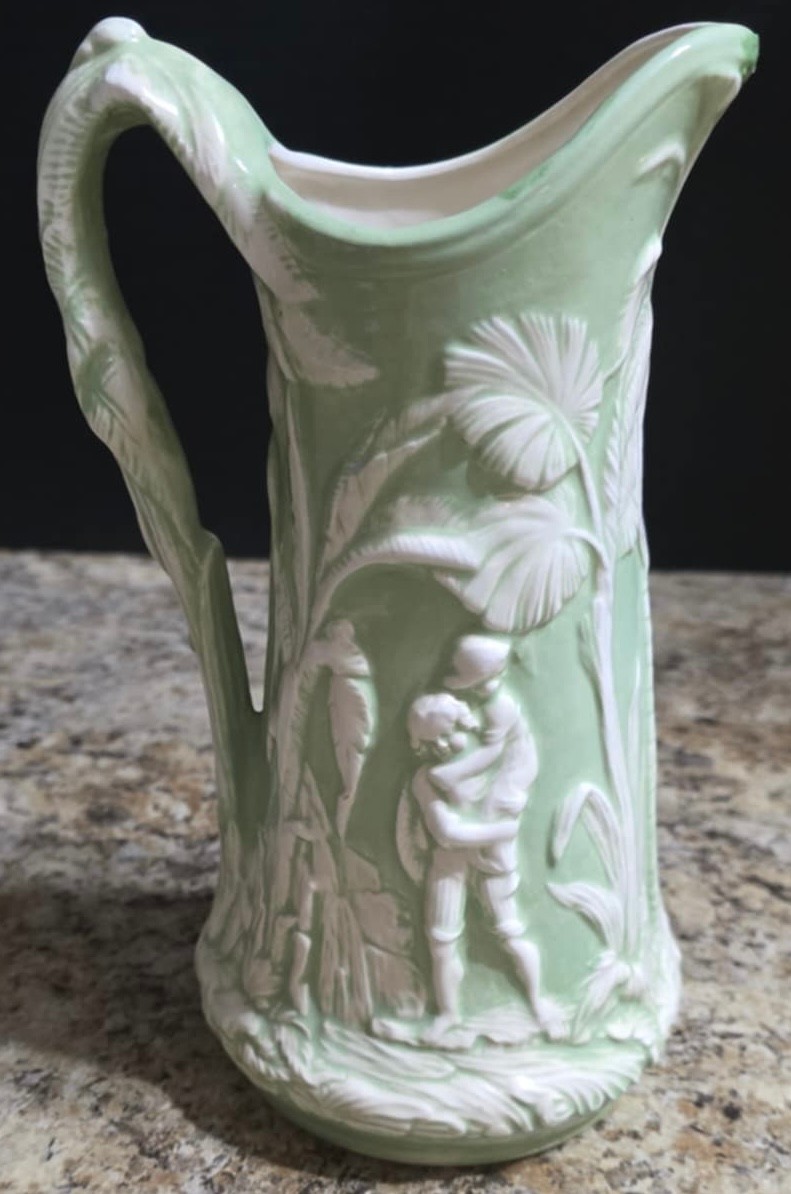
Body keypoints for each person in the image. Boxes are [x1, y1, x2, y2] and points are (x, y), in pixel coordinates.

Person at [406, 636, 569, 1043]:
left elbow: (497, 762)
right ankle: (448, 1014)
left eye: (448, 736)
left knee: (510, 930)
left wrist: (494, 827)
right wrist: (500, 831)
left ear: (467, 725)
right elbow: (447, 832)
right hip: (453, 858)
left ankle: (539, 1004)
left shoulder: (497, 738)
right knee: (441, 938)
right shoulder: (426, 778)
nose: (441, 748)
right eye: (430, 744)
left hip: (492, 856)